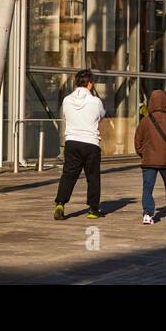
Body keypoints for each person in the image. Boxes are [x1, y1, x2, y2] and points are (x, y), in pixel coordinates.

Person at [53, 70, 107, 220]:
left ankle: (60, 203)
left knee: (68, 175)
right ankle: (93, 209)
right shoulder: (95, 101)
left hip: (72, 142)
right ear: (90, 84)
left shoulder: (66, 100)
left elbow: (65, 115)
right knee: (93, 177)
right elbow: (102, 115)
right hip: (90, 143)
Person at [133, 88, 166, 224]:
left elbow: (137, 140)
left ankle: (148, 215)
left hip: (148, 160)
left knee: (147, 188)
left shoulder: (145, 121)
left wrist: (143, 153)